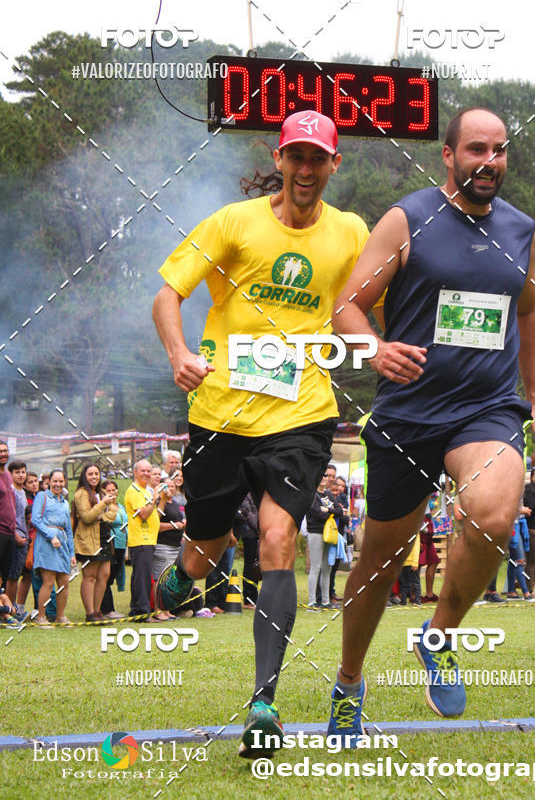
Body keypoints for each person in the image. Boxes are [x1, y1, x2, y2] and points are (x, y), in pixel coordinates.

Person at [151, 109, 373, 757]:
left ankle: (263, 705)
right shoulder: (234, 222)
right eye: (295, 156)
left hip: (301, 415)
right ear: (278, 159)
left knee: (277, 537)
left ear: (334, 165)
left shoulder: (351, 233)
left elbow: (373, 305)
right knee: (205, 547)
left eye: (318, 158)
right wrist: (178, 354)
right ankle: (185, 572)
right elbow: (168, 294)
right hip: (220, 413)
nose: (306, 168)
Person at [326, 107, 535, 737]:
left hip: (487, 408)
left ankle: (440, 634)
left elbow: (531, 311)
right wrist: (375, 349)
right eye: (476, 148)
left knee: (495, 516)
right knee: (380, 561)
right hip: (409, 412)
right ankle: (349, 680)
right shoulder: (408, 219)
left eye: (499, 150)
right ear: (448, 155)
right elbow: (348, 306)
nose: (490, 161)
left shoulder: (522, 230)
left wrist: (534, 400)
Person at [73, 463, 118, 622]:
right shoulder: (81, 493)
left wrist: (100, 516)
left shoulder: (102, 492)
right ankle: (90, 613)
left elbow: (114, 513)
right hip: (88, 540)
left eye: (96, 474)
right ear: (84, 476)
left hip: (104, 537)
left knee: (104, 575)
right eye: (90, 474)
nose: (94, 477)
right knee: (89, 576)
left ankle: (98, 611)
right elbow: (86, 517)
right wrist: (103, 504)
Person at [31, 469, 76, 626]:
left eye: (61, 481)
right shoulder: (42, 496)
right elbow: (35, 520)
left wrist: (72, 553)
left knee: (64, 582)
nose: (58, 484)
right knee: (48, 581)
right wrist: (51, 536)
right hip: (46, 544)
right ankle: (41, 617)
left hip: (62, 544)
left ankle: (60, 616)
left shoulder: (65, 502)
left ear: (64, 482)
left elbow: (68, 530)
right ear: (49, 482)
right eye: (55, 481)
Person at [124, 459, 160, 619]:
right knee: (142, 578)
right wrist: (155, 499)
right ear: (135, 472)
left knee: (141, 576)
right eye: (143, 471)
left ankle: (136, 610)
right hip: (140, 539)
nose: (146, 474)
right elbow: (143, 514)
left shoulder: (144, 490)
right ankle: (143, 612)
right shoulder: (134, 491)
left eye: (148, 471)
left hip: (148, 540)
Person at [151, 478, 184, 620]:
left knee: (169, 580)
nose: (170, 489)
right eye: (167, 486)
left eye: (172, 486)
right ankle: (158, 610)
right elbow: (155, 525)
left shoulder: (175, 503)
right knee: (160, 578)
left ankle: (166, 609)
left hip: (175, 546)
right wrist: (173, 526)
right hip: (163, 546)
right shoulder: (160, 503)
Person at [306, 474, 337, 611]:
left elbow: (339, 511)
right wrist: (331, 512)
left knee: (327, 568)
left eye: (326, 475)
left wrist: (328, 510)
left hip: (329, 534)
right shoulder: (311, 495)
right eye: (322, 475)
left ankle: (325, 601)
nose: (324, 478)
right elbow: (318, 514)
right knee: (316, 567)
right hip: (316, 532)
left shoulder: (328, 494)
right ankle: (312, 601)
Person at [100, 480, 128, 619]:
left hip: (122, 544)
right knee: (107, 577)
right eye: (108, 490)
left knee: (113, 575)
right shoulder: (105, 507)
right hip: (111, 543)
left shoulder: (120, 506)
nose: (112, 493)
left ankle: (105, 607)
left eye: (114, 490)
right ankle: (107, 609)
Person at [6, 460, 28, 612]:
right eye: (17, 472)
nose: (21, 475)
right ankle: (10, 610)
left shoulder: (22, 491)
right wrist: (16, 537)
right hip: (15, 538)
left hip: (23, 537)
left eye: (23, 472)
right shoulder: (12, 491)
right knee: (12, 576)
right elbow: (8, 517)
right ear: (11, 474)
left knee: (16, 576)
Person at [506, 509, 535, 601]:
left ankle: (511, 591)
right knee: (520, 560)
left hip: (518, 523)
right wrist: (522, 510)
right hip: (512, 525)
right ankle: (526, 592)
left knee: (513, 560)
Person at [0, 441, 15, 593]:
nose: (3, 454)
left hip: (10, 532)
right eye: (0, 451)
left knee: (5, 574)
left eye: (5, 450)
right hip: (0, 531)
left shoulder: (8, 475)